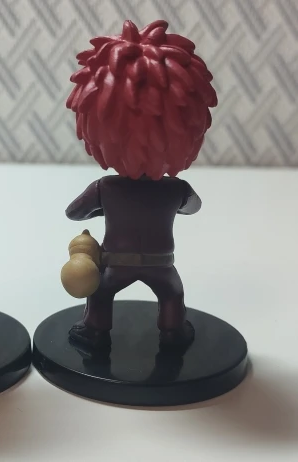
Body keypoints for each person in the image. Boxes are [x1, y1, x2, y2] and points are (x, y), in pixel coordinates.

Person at [64, 19, 217, 349]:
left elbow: (74, 212)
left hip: (116, 262)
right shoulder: (176, 190)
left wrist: (98, 214)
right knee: (172, 292)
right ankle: (173, 331)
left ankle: (94, 330)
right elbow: (194, 207)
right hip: (162, 262)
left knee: (101, 292)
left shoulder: (106, 188)